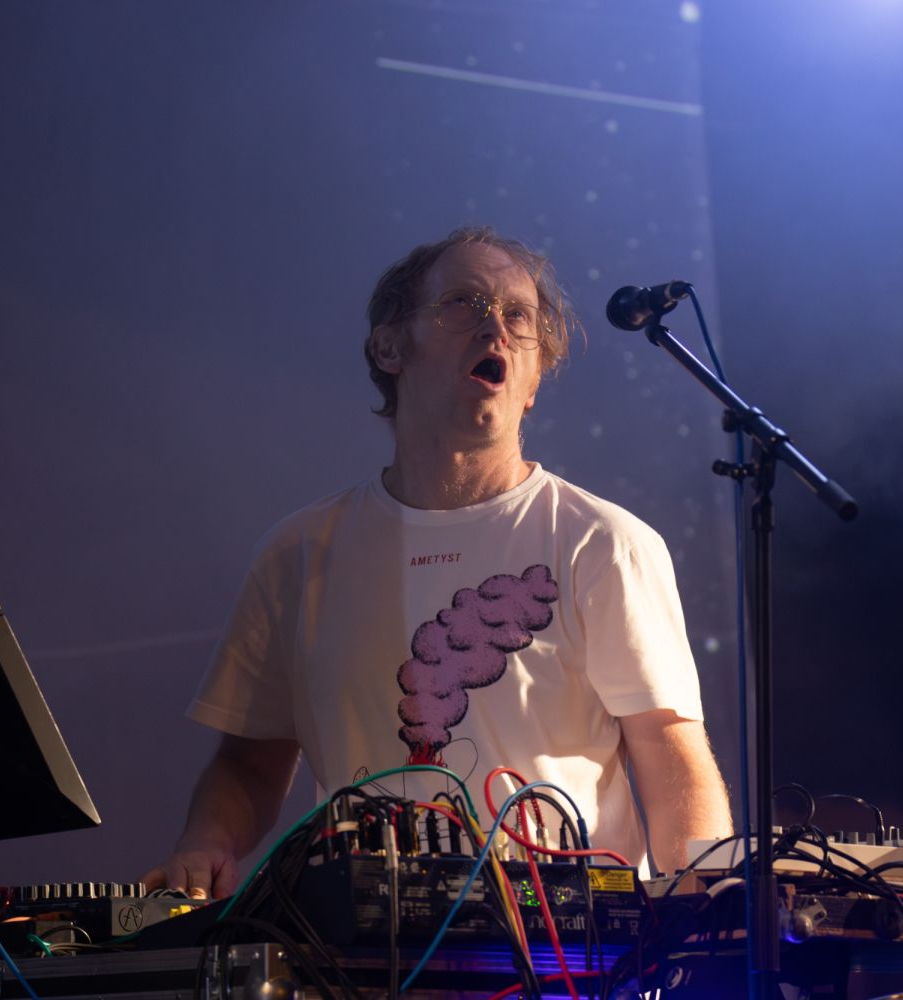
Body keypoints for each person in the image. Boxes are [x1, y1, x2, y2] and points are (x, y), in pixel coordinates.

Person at [142, 227, 731, 900]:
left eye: (518, 317)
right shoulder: (298, 553)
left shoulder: (601, 543)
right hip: (362, 947)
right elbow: (249, 762)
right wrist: (205, 845)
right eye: (464, 303)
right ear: (390, 347)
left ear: (533, 383)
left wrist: (705, 916)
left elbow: (668, 751)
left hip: (566, 947)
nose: (496, 329)